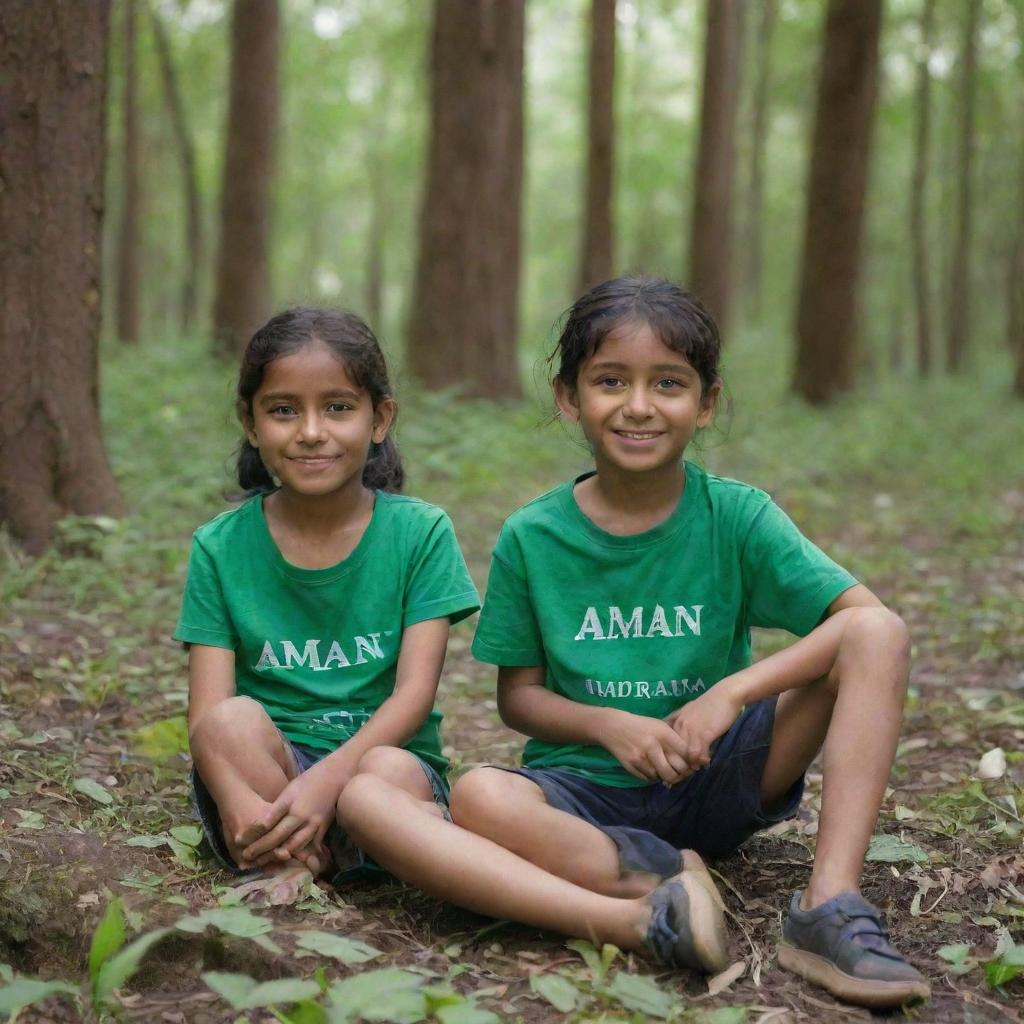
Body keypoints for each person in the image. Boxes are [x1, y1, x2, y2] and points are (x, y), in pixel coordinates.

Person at [337, 278, 932, 1008]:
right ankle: (654, 883)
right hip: (582, 797)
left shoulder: (738, 517)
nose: (639, 406)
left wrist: (732, 693)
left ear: (706, 402)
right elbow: (518, 698)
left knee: (879, 631)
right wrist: (608, 725)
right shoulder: (536, 535)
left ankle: (829, 907)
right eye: (611, 381)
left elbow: (865, 625)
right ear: (569, 397)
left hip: (718, 770)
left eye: (669, 384)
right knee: (479, 794)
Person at [175, 308, 479, 895]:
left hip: (381, 762)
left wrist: (327, 785)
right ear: (250, 420)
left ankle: (363, 844)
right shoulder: (220, 545)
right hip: (274, 774)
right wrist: (238, 801)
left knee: (381, 774)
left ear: (379, 418)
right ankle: (293, 856)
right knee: (231, 721)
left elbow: (413, 697)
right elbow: (206, 718)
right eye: (284, 409)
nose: (311, 431)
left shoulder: (420, 533)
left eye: (338, 407)